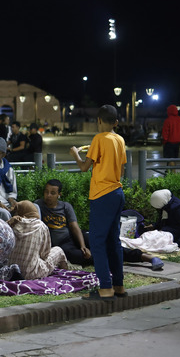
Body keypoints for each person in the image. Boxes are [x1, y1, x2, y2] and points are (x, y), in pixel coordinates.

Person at [70, 104, 128, 301]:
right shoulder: (120, 139)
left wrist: (75, 154)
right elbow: (121, 169)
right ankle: (118, 286)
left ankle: (105, 288)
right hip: (117, 192)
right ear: (116, 123)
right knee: (114, 241)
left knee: (96, 242)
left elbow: (85, 167)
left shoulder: (98, 139)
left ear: (99, 121)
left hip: (102, 194)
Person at [34, 179, 92, 266]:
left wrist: (82, 245)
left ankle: (113, 252)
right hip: (61, 244)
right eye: (46, 192)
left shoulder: (66, 206)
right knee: (79, 255)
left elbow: (74, 226)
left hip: (71, 236)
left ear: (59, 195)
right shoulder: (38, 205)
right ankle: (102, 259)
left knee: (92, 239)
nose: (48, 195)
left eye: (52, 193)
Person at [7, 200, 68, 280]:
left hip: (10, 272)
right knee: (59, 250)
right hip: (31, 274)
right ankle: (66, 275)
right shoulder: (41, 226)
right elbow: (44, 255)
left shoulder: (12, 223)